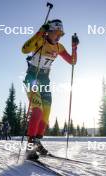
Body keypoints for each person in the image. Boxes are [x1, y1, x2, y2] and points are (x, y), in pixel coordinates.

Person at [22, 19, 79, 160]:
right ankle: (29, 147)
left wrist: (74, 47)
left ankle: (37, 142)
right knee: (37, 111)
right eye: (57, 32)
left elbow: (72, 61)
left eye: (61, 34)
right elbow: (24, 50)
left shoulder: (59, 47)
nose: (59, 36)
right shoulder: (40, 41)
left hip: (45, 81)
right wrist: (39, 32)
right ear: (49, 31)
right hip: (32, 77)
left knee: (45, 114)